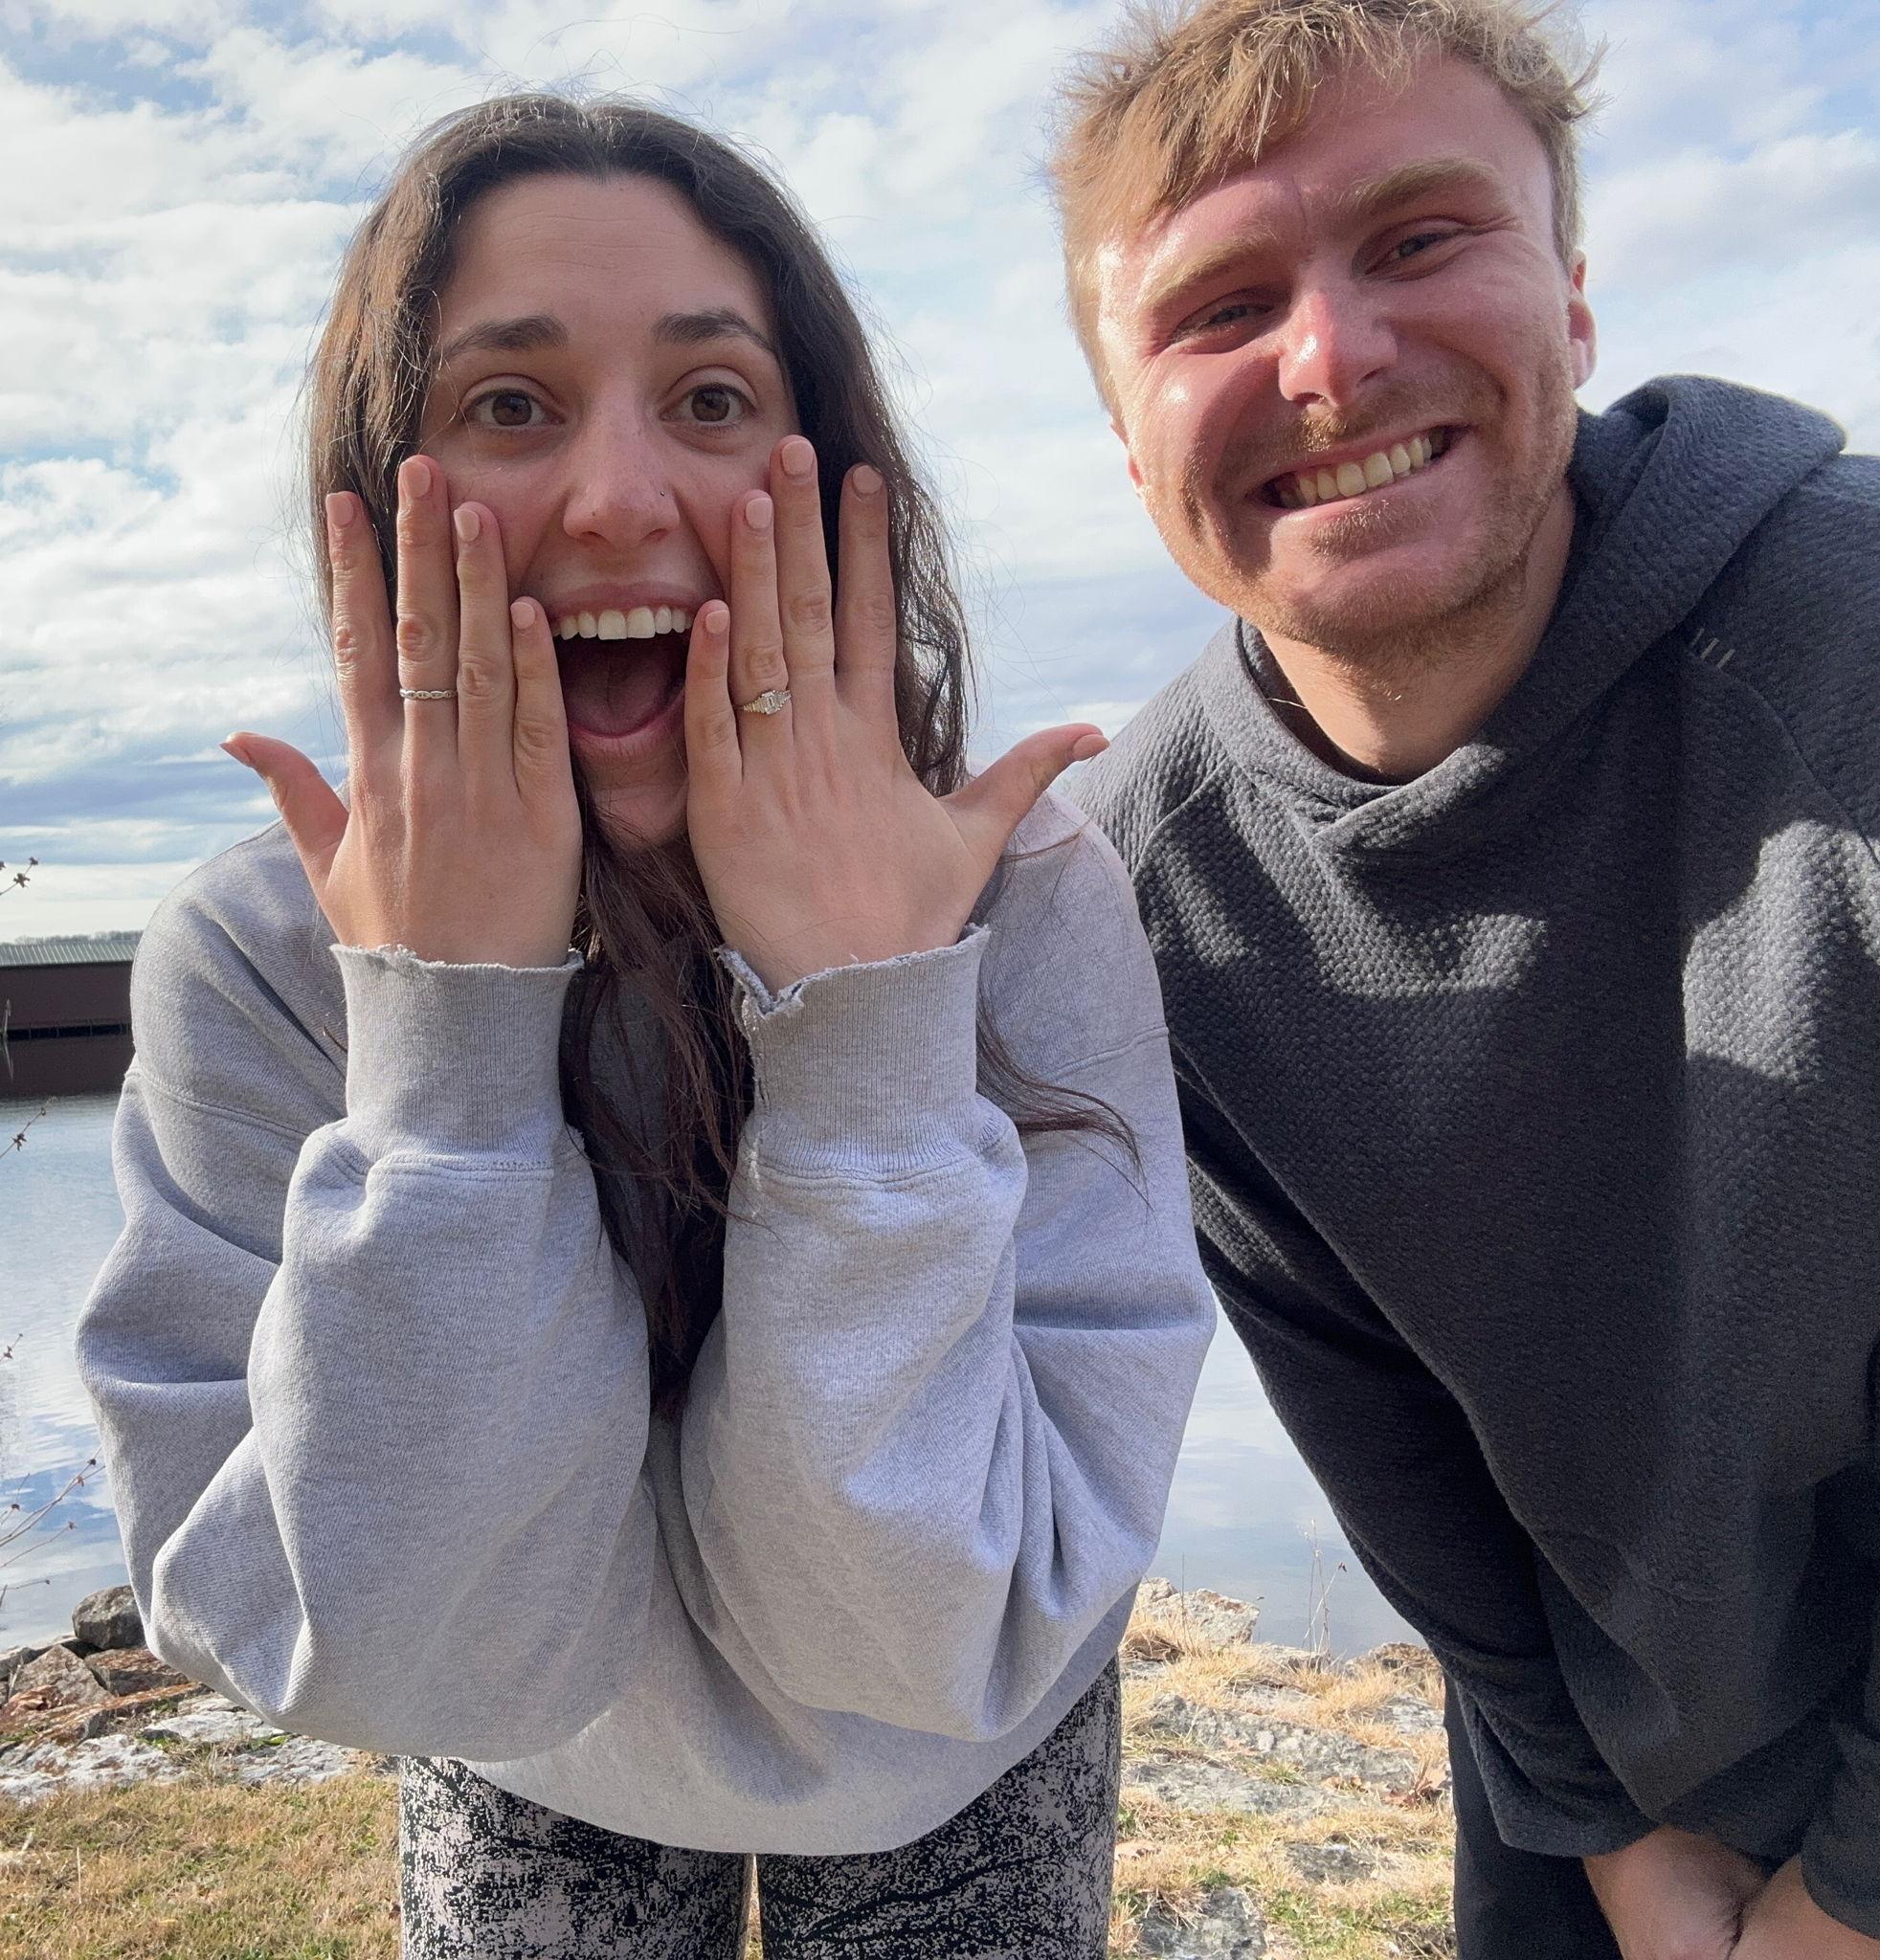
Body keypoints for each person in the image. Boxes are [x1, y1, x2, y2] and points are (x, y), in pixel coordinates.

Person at [72, 92, 1214, 1958]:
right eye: (511, 404)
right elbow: (399, 1650)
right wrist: (448, 1051)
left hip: (965, 1744)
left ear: (833, 475)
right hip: (537, 1758)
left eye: (711, 398)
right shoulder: (264, 958)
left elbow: (916, 1635)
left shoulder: (1018, 898)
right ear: (376, 488)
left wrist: (863, 1026)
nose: (615, 499)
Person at [1049, 2, 1880, 1957]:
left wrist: (1877, 1901)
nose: (1328, 359)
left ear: (1573, 297)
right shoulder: (1150, 885)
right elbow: (1387, 1431)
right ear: (1126, 442)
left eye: (1417, 239)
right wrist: (1615, 1840)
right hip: (1611, 1810)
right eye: (1219, 308)